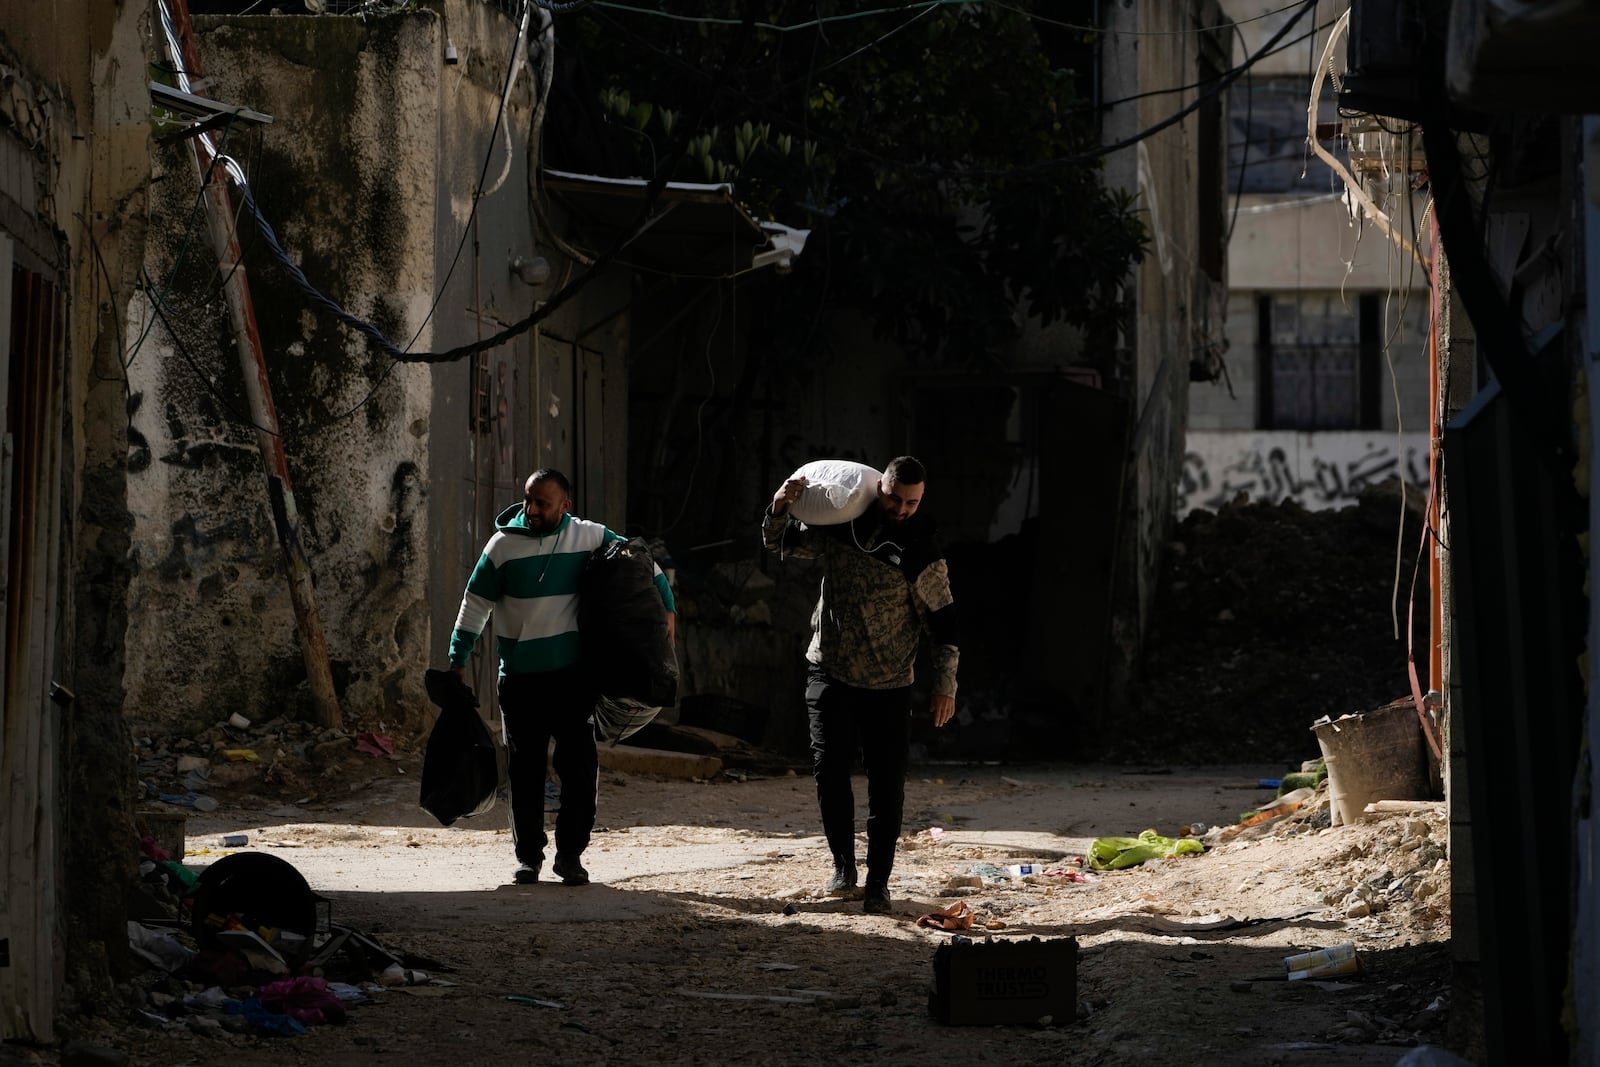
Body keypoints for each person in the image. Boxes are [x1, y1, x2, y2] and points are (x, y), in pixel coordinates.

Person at [448, 469, 676, 886]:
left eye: (542, 504)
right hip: (519, 680)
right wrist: (457, 659)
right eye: (528, 501)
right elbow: (474, 604)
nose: (531, 510)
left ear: (565, 506)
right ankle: (528, 859)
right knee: (524, 772)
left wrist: (668, 606)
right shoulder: (501, 547)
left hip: (573, 679)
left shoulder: (588, 536)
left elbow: (640, 560)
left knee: (580, 769)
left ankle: (570, 855)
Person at [762, 455, 958, 914]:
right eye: (896, 499)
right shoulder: (842, 522)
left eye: (912, 502)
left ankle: (878, 883)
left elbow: (944, 625)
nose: (903, 509)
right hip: (827, 668)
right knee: (829, 770)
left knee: (886, 785)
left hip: (888, 683)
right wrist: (777, 506)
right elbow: (783, 543)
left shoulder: (921, 550)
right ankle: (842, 866)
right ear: (880, 489)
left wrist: (945, 685)